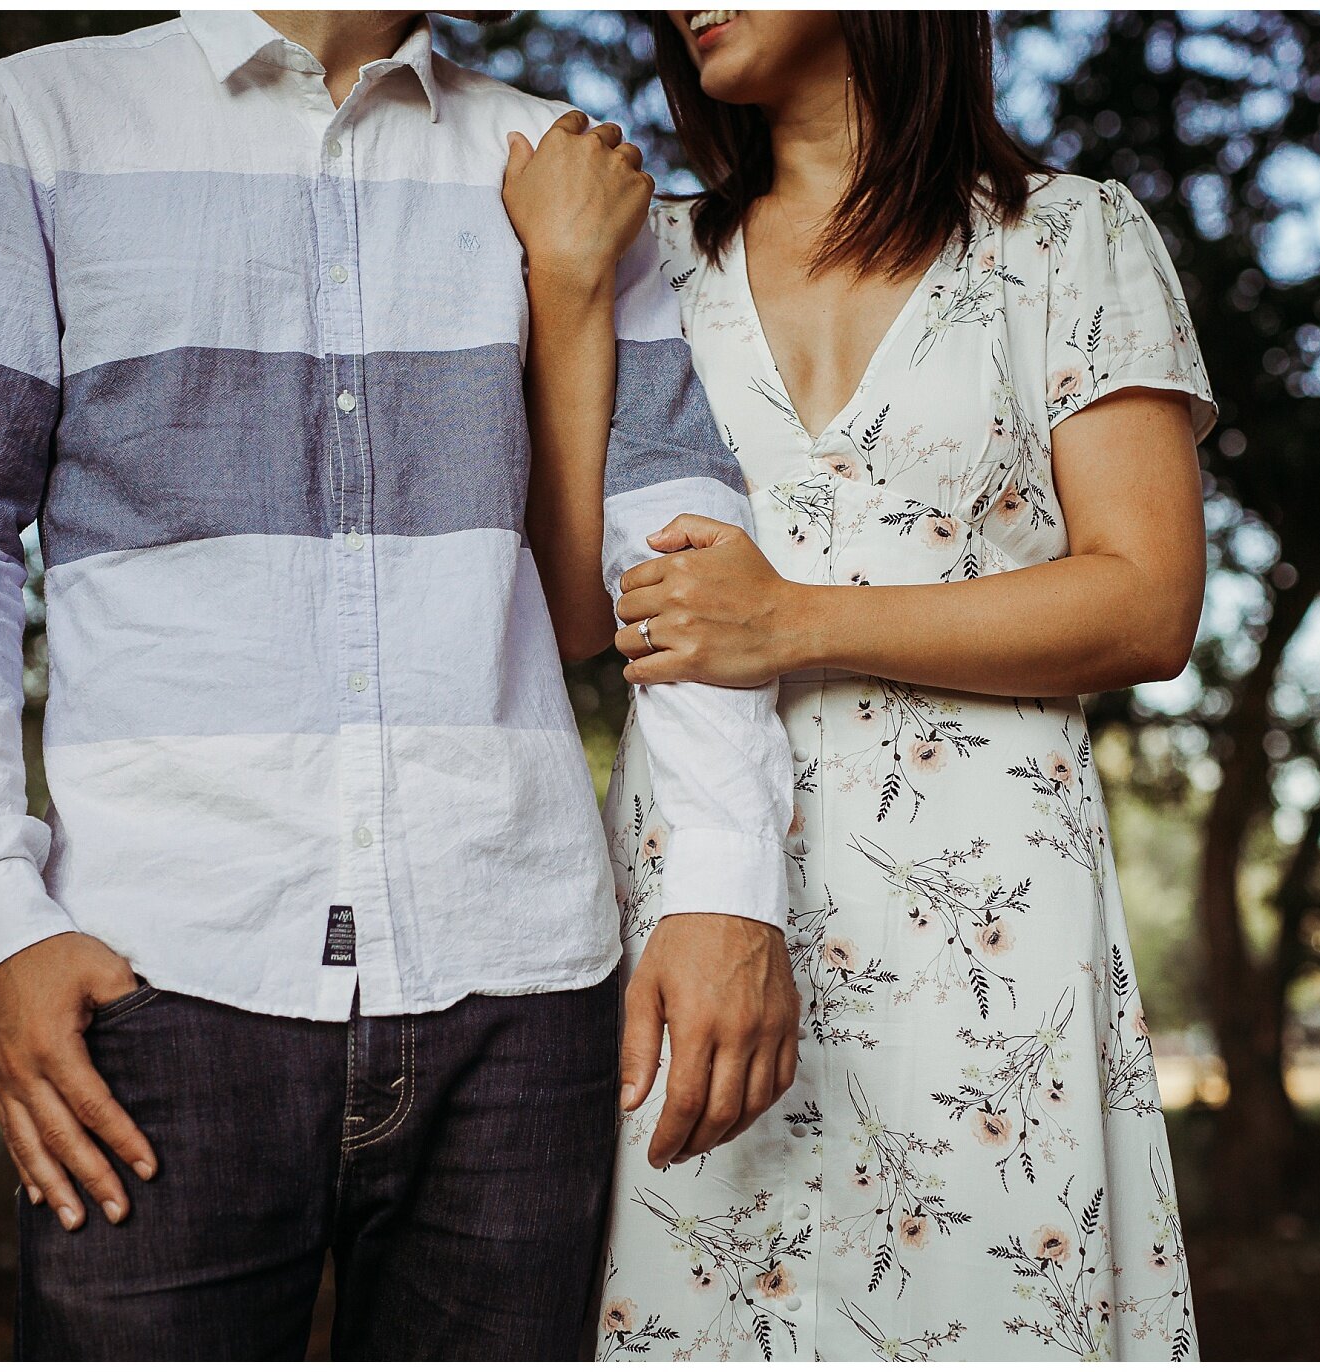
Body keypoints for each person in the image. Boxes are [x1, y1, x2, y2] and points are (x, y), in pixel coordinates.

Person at [0, 9, 800, 1359]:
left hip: (522, 988)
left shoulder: (560, 163)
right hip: (156, 972)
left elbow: (682, 545)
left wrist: (723, 885)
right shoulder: (35, 120)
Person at [505, 10, 1211, 1361]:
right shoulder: (649, 254)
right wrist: (564, 287)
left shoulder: (1066, 237)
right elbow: (572, 607)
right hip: (699, 908)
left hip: (990, 937)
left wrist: (796, 621)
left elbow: (1148, 599)